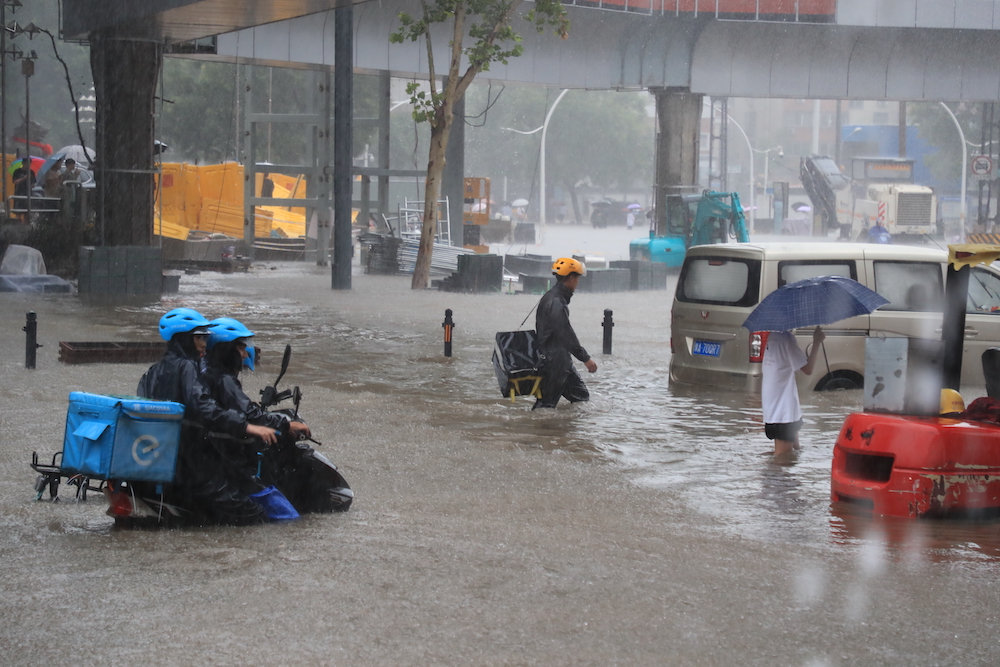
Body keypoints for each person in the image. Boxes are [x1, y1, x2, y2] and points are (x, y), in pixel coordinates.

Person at [132, 308, 279, 525]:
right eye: (199, 338)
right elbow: (204, 407)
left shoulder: (153, 371)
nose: (203, 344)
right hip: (192, 464)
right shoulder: (187, 367)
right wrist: (247, 427)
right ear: (184, 339)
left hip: (162, 458)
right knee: (254, 515)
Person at [202, 317, 352, 513]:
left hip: (217, 455)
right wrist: (286, 424)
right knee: (285, 515)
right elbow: (251, 416)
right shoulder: (223, 380)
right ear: (225, 349)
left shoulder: (208, 374)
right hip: (231, 461)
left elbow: (240, 410)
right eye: (239, 347)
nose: (245, 352)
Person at [533, 257, 598, 410]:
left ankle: (565, 429)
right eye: (577, 278)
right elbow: (565, 334)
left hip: (560, 360)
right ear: (570, 278)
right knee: (545, 406)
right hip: (554, 361)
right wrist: (585, 358)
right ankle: (538, 432)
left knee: (581, 397)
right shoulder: (556, 302)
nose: (578, 282)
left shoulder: (552, 297)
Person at [761, 326, 826, 459]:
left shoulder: (773, 334)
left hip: (776, 408)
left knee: (795, 454)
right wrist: (817, 342)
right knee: (782, 462)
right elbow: (808, 369)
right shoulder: (787, 338)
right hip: (783, 413)